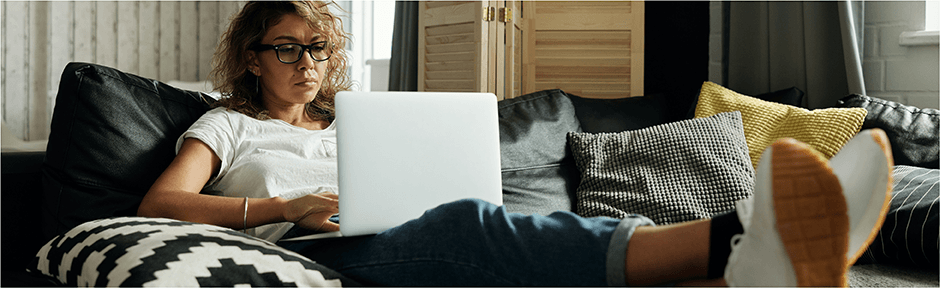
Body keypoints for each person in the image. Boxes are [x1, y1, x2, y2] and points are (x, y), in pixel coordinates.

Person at [137, 1, 893, 286]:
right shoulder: (227, 123)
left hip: (395, 234)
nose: (307, 64)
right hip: (310, 251)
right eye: (286, 48)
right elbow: (161, 202)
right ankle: (735, 241)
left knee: (492, 223)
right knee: (470, 228)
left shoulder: (355, 122)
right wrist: (286, 202)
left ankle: (751, 269)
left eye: (318, 49)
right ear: (251, 57)